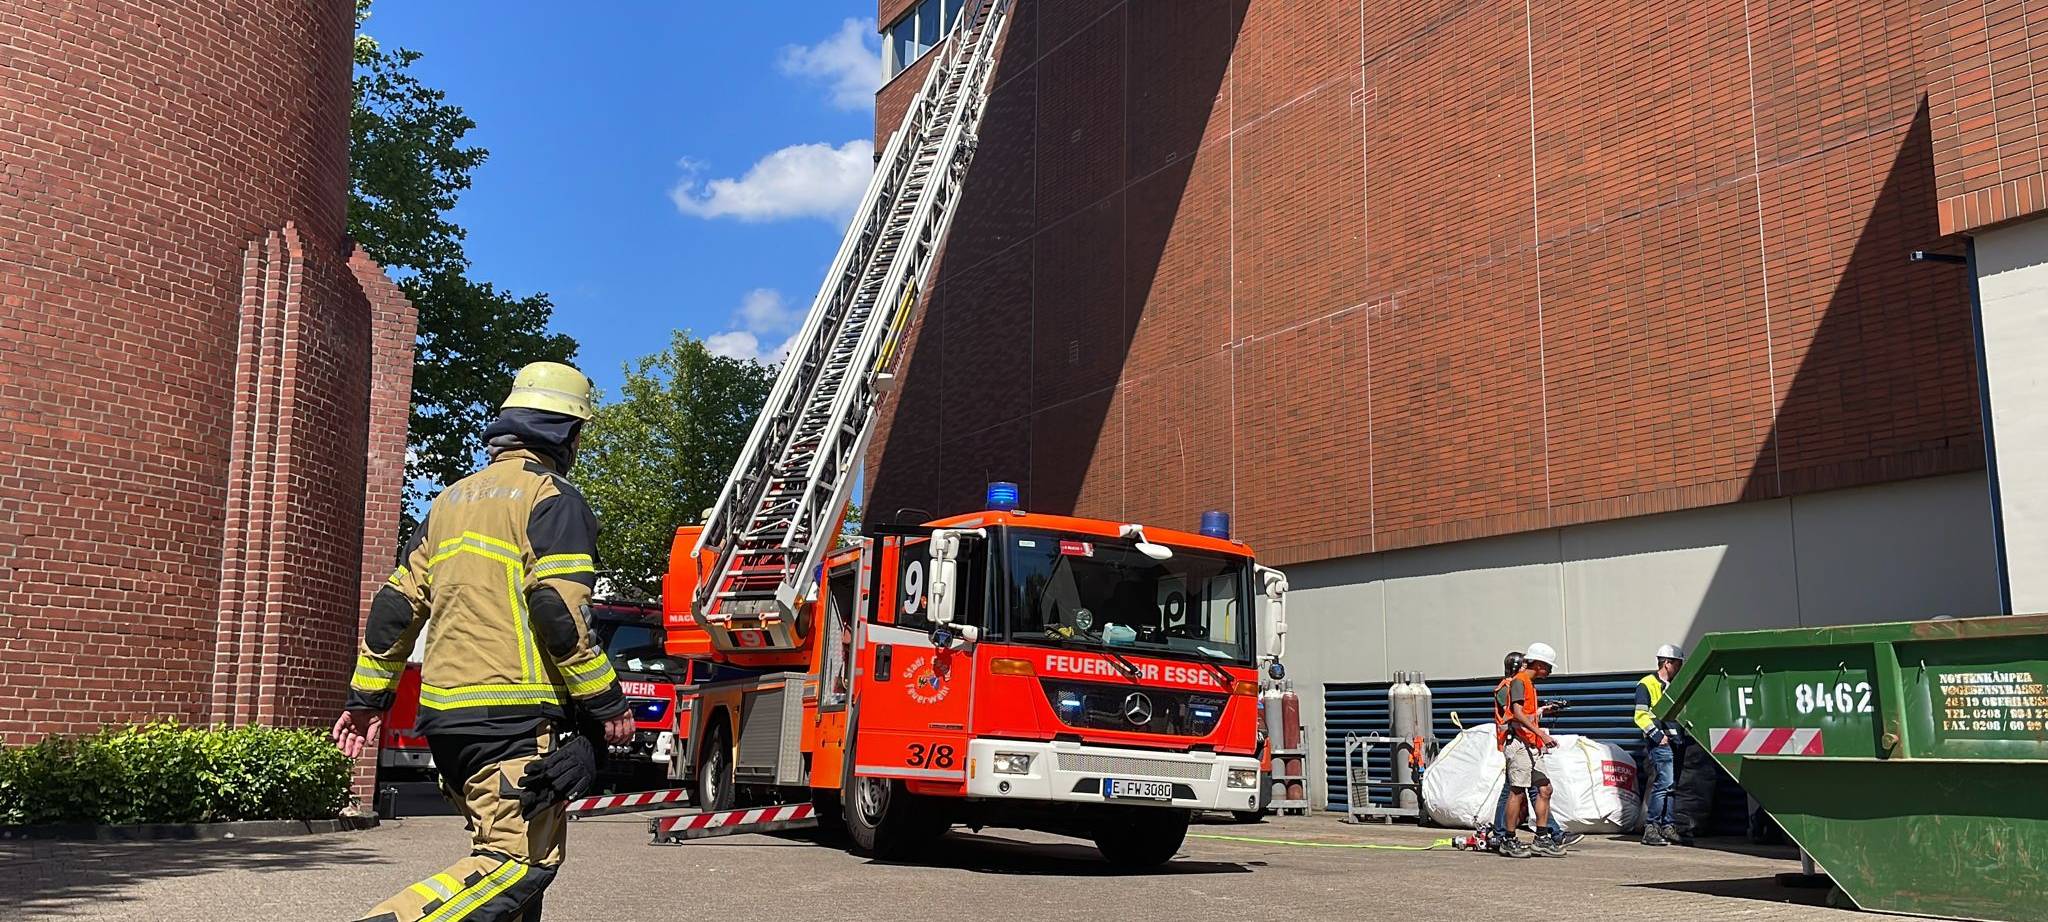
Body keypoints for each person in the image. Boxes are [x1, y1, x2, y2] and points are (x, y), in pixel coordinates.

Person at [332, 362, 632, 922]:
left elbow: (395, 607)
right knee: (518, 864)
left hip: (447, 724)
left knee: (503, 875)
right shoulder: (551, 497)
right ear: (569, 433)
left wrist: (366, 699)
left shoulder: (448, 502)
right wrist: (605, 704)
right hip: (512, 718)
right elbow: (558, 610)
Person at [1488, 650, 1579, 849]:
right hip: (1518, 743)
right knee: (1516, 791)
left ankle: (1543, 836)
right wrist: (1542, 735)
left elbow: (1526, 714)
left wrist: (1542, 712)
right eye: (1547, 666)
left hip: (1530, 744)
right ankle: (1507, 837)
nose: (1549, 671)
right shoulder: (1514, 684)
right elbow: (1517, 715)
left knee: (1544, 789)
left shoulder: (1528, 685)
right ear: (1537, 664)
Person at [1634, 643, 1688, 846]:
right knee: (1664, 784)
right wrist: (1657, 736)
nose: (1681, 668)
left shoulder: (1675, 685)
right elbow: (1640, 715)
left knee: (1672, 786)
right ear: (1667, 663)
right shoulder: (1646, 684)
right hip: (1662, 742)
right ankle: (1652, 828)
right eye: (1678, 664)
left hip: (1677, 741)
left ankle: (1668, 826)